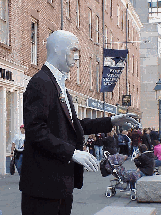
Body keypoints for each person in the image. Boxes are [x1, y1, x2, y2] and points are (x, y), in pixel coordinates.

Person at [19, 30, 140, 215]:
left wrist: (112, 120)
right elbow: (36, 130)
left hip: (60, 184)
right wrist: (72, 152)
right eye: (74, 50)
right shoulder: (40, 83)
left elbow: (75, 125)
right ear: (58, 50)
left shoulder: (59, 85)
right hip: (43, 188)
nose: (77, 57)